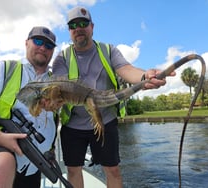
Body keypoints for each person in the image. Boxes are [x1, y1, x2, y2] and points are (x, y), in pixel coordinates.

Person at [52, 6, 176, 188]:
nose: (78, 28)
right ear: (69, 31)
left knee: (113, 170)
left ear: (92, 27)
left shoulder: (108, 50)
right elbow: (59, 85)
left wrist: (144, 77)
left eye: (83, 23)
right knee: (73, 170)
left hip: (106, 119)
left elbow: (126, 69)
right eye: (73, 25)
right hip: (73, 124)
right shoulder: (61, 58)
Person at [0, 26, 60, 188]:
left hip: (34, 162)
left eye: (49, 45)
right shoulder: (4, 69)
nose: (43, 47)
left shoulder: (58, 83)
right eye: (38, 41)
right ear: (26, 43)